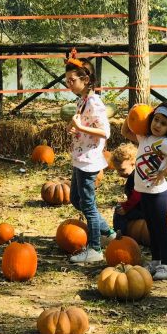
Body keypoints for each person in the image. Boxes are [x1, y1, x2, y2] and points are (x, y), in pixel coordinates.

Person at [121, 102, 167, 280]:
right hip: (144, 192)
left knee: (160, 229)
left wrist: (165, 171)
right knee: (151, 228)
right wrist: (132, 114)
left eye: (163, 123)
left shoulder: (165, 143)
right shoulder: (145, 138)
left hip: (158, 194)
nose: (157, 125)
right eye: (156, 120)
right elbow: (125, 132)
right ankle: (156, 261)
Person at [65, 56, 116, 263]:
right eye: (67, 80)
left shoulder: (94, 102)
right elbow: (84, 125)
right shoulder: (81, 100)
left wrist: (79, 128)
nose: (69, 84)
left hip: (90, 160)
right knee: (76, 200)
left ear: (85, 80)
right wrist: (75, 128)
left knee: (88, 205)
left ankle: (94, 249)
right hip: (80, 157)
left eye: (72, 80)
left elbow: (105, 131)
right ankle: (109, 233)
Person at [110, 143, 143, 234]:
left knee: (119, 212)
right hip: (141, 208)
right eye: (117, 170)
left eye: (122, 169)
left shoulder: (135, 177)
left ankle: (120, 234)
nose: (120, 173)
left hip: (144, 210)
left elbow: (137, 195)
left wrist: (126, 207)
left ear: (133, 163)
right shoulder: (136, 174)